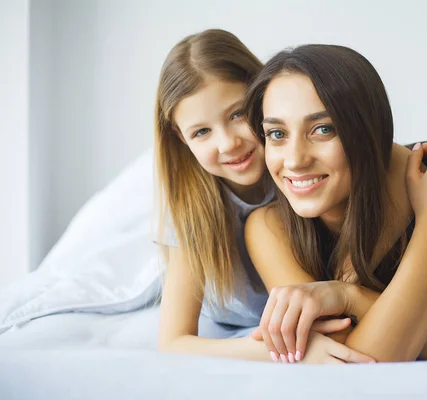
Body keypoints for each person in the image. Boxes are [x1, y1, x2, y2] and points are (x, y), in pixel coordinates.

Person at [244, 44, 427, 363]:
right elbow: (354, 358)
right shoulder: (268, 227)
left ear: (369, 129)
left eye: (323, 129)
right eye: (277, 134)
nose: (294, 160)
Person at [154, 30, 373, 363]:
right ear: (181, 137)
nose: (228, 143)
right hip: (241, 324)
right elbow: (173, 341)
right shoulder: (190, 210)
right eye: (202, 131)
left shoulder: (302, 176)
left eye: (238, 114)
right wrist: (280, 351)